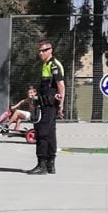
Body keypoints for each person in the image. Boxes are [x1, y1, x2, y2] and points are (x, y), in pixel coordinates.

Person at [29, 39, 65, 175]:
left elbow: (61, 85)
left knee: (42, 133)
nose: (40, 53)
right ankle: (50, 165)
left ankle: (42, 165)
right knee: (50, 133)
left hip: (49, 105)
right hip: (45, 104)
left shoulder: (53, 65)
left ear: (50, 50)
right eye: (39, 51)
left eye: (43, 51)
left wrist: (60, 104)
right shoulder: (46, 64)